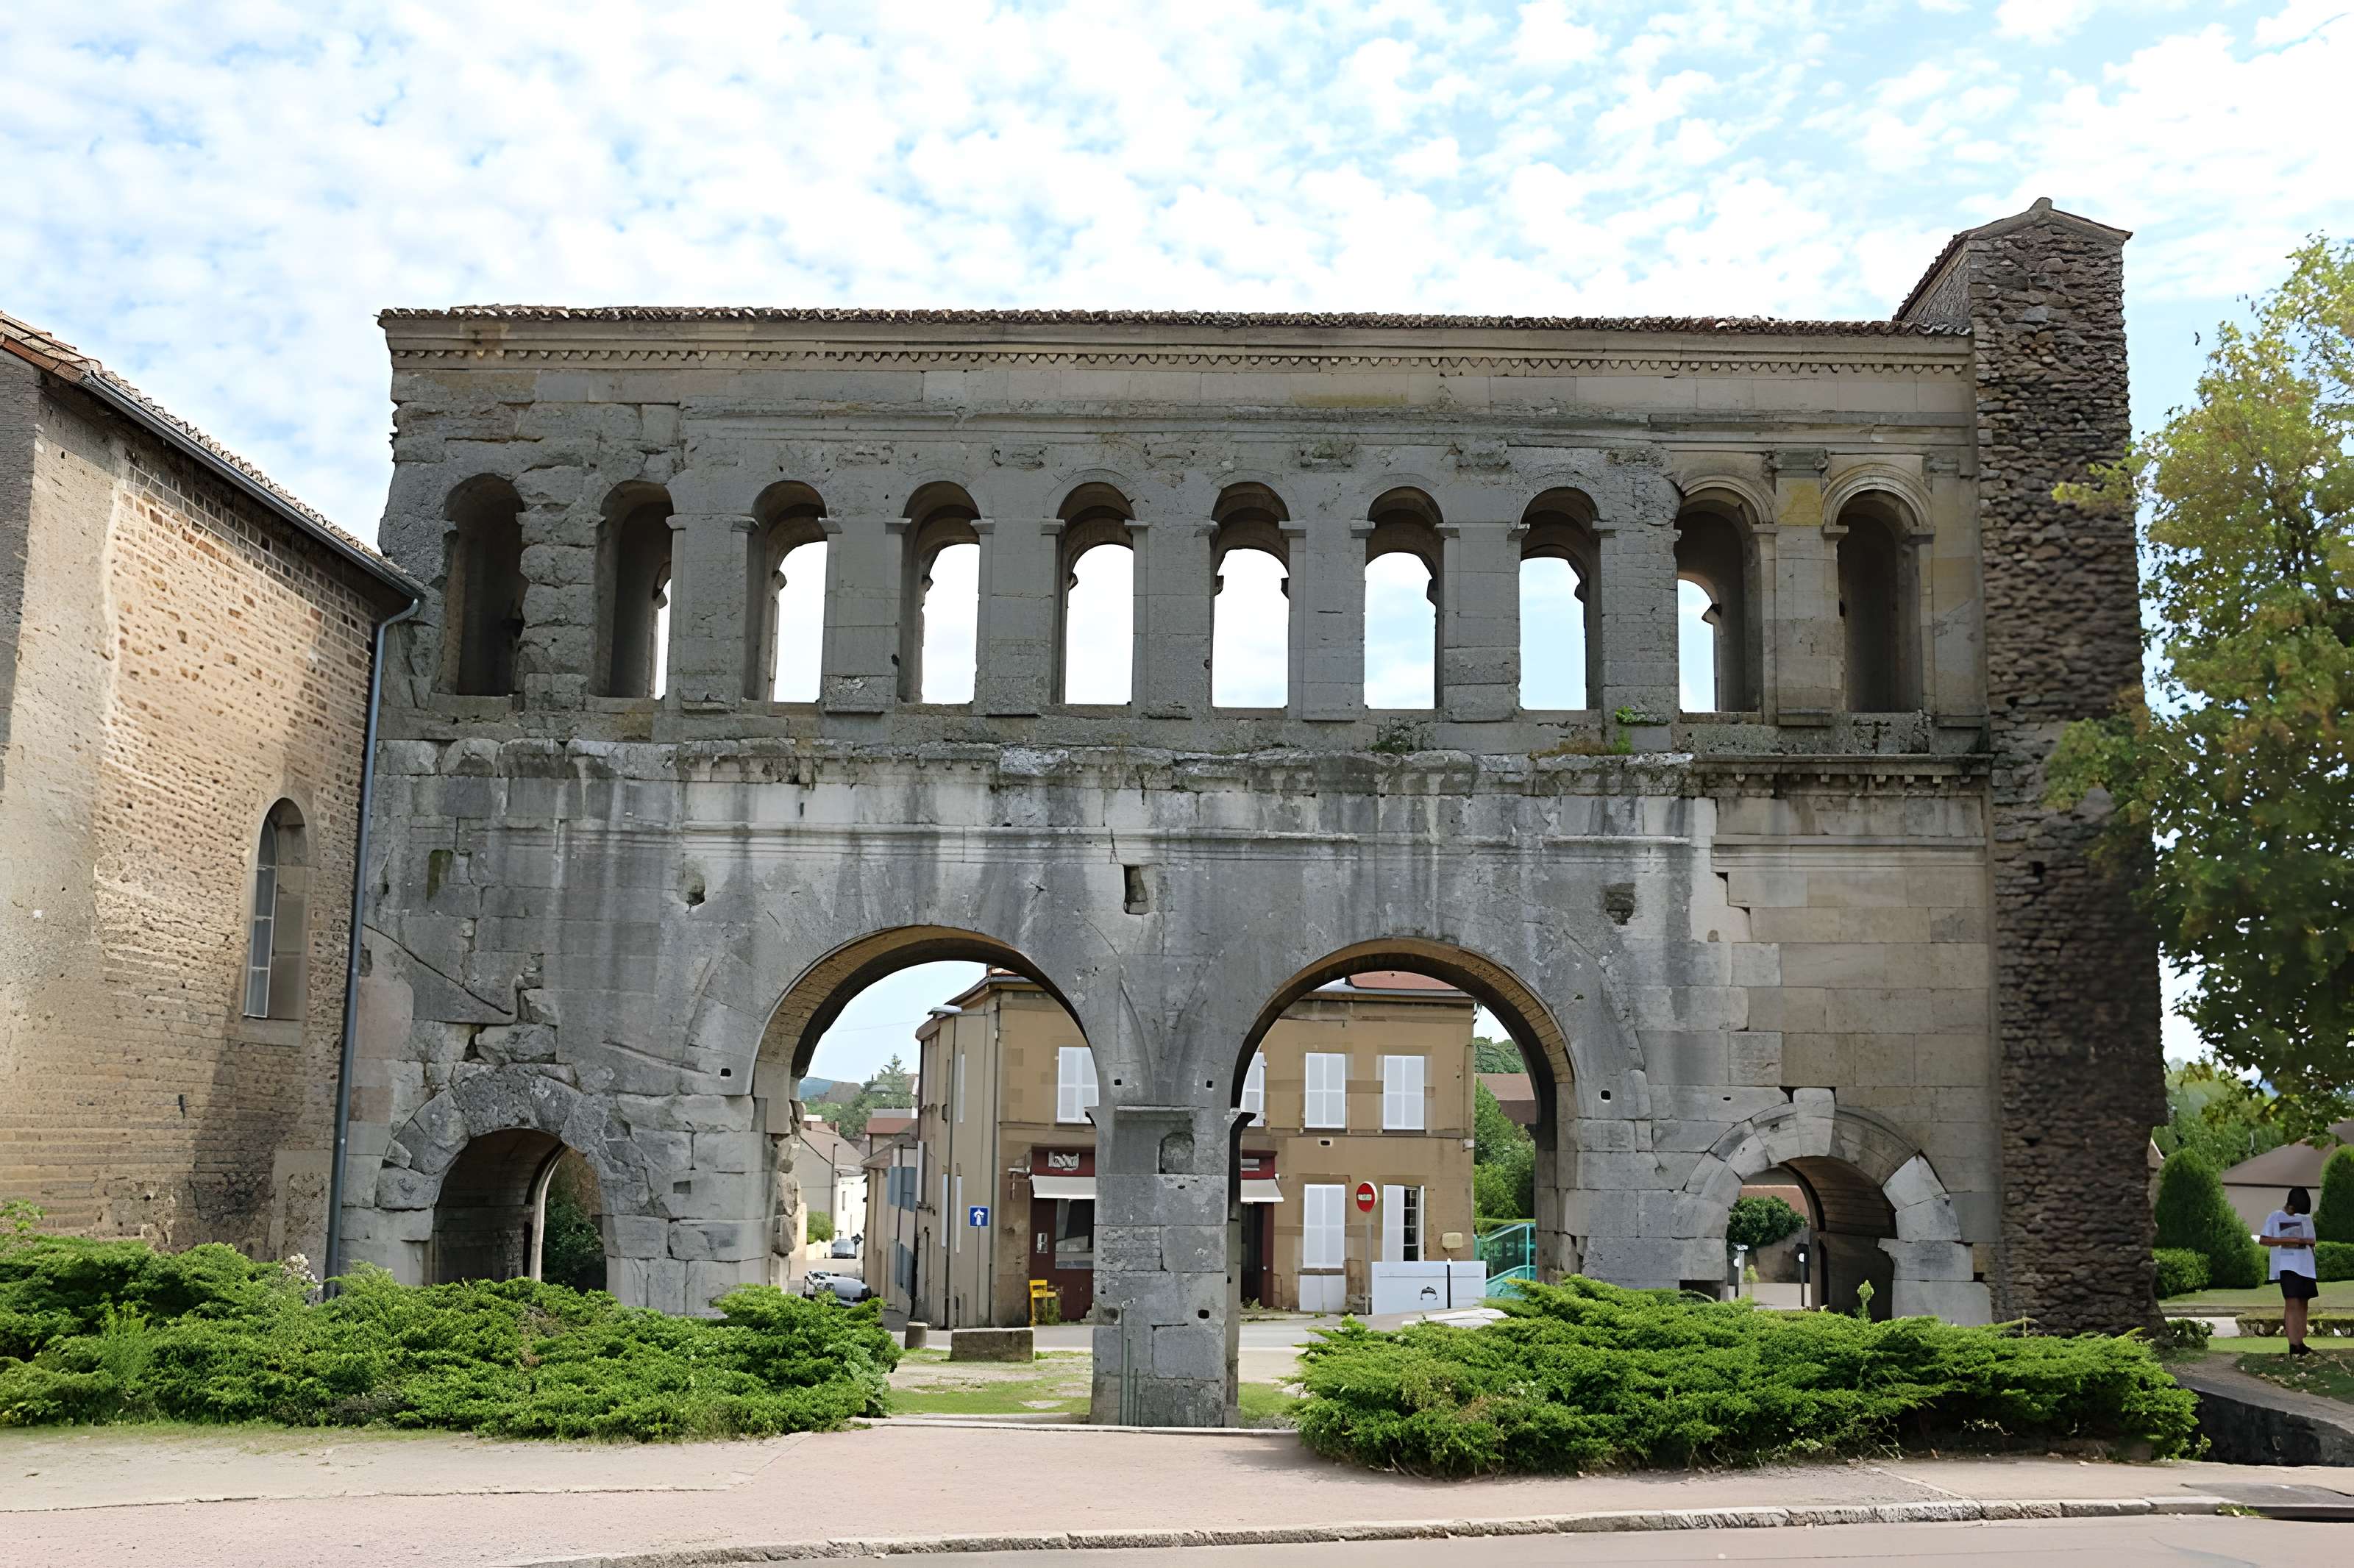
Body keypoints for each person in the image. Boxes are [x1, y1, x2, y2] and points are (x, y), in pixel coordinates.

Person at [2259, 1186, 2319, 1355]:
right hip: (2288, 1266)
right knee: (2292, 1304)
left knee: (2303, 1304)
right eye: (2295, 1211)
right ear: (2290, 1205)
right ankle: (2293, 1346)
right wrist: (2291, 1240)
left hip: (2306, 1267)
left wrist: (2307, 1242)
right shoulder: (2275, 1216)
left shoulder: (2306, 1218)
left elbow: (2312, 1240)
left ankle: (2301, 1343)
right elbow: (2264, 1240)